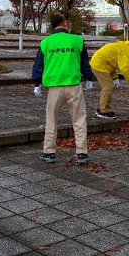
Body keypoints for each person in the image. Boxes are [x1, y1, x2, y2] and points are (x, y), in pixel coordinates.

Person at [31, 11, 94, 165]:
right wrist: (89, 78)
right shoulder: (77, 40)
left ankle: (49, 152)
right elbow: (84, 63)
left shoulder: (46, 42)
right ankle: (82, 153)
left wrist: (37, 83)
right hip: (74, 85)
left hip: (54, 87)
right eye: (69, 21)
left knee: (51, 119)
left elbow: (39, 64)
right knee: (79, 119)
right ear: (65, 22)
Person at [89, 40, 129, 119]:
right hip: (100, 64)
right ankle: (103, 111)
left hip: (102, 63)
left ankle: (103, 109)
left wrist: (114, 77)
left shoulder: (126, 49)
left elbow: (113, 62)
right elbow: (125, 69)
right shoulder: (127, 52)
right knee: (108, 87)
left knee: (108, 87)